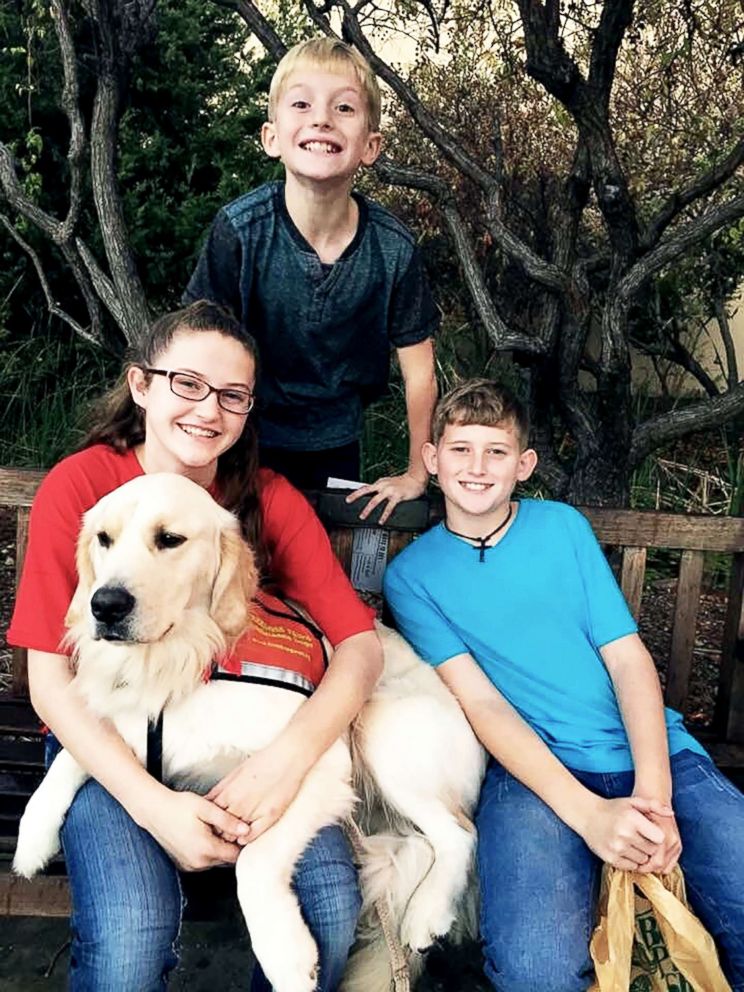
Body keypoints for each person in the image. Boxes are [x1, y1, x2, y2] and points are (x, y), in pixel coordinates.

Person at [7, 300, 383, 992]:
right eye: (187, 383)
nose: (208, 410)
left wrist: (285, 761)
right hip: (106, 741)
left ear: (247, 411)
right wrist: (154, 807)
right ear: (142, 385)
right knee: (129, 938)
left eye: (232, 395)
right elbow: (49, 679)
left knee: (328, 915)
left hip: (240, 741)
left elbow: (361, 648)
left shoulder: (264, 501)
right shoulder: (83, 488)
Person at [383, 378, 744, 992]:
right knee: (535, 971)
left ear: (524, 465)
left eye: (496, 451)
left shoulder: (561, 528)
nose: (477, 466)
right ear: (431, 459)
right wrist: (588, 815)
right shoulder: (412, 576)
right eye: (461, 449)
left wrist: (653, 798)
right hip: (531, 777)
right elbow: (484, 704)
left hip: (654, 753)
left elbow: (628, 659)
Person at [183, 37, 439, 524]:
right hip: (241, 434)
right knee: (234, 559)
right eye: (301, 104)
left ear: (370, 145)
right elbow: (196, 347)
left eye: (343, 107)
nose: (321, 119)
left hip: (335, 442)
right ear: (272, 137)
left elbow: (419, 372)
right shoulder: (241, 230)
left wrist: (415, 472)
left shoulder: (393, 249)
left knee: (317, 561)